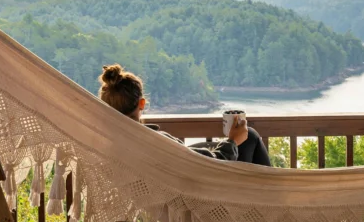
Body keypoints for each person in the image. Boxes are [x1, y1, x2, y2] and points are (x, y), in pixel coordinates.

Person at [98, 64, 271, 165]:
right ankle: (275, 204)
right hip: (204, 208)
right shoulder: (156, 142)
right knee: (251, 137)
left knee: (220, 144)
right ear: (142, 103)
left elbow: (186, 157)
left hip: (170, 216)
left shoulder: (112, 143)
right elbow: (210, 165)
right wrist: (233, 140)